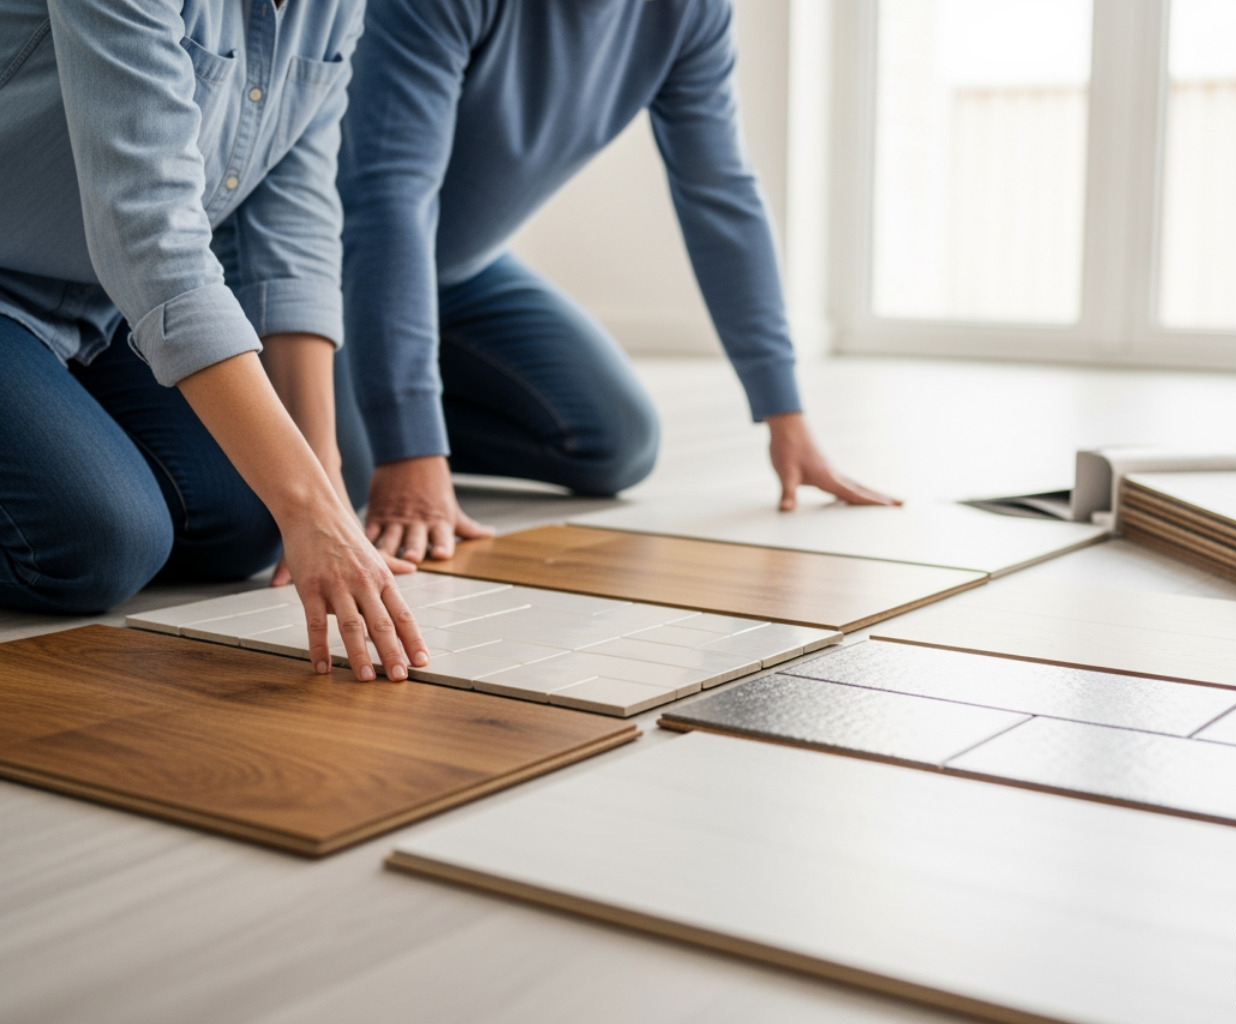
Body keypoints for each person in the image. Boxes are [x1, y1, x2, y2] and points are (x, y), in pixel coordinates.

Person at [336, 0, 898, 567]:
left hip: (462, 271)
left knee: (614, 443)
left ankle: (381, 415)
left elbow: (722, 192)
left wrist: (785, 413)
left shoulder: (690, 12)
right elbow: (389, 202)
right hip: (335, 276)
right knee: (347, 473)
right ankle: (371, 421)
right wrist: (407, 446)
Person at [0, 0, 424, 681]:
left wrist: (322, 487)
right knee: (97, 546)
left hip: (104, 304)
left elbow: (294, 216)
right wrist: (306, 504)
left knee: (252, 520)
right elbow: (150, 227)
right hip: (43, 276)